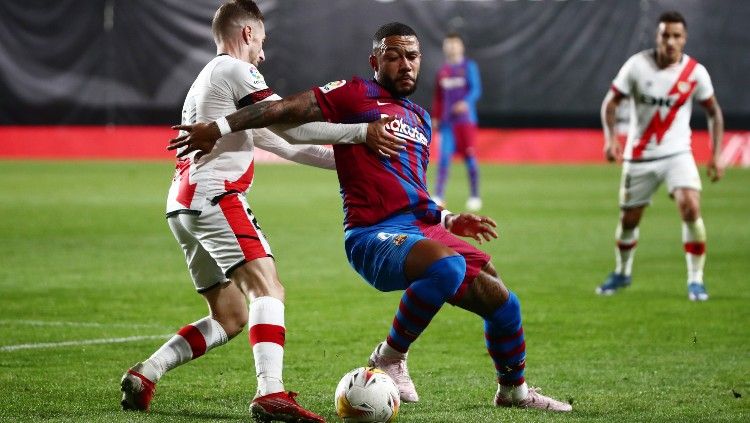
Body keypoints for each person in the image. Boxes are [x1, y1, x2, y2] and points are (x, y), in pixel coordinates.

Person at [169, 22, 572, 413]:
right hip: (372, 235)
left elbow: (410, 188)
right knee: (446, 268)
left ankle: (513, 391)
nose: (405, 64)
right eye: (393, 56)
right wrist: (219, 127)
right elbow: (282, 110)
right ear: (375, 61)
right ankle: (389, 359)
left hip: (422, 229)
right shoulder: (355, 94)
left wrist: (447, 219)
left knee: (502, 300)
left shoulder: (419, 118)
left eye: (412, 56)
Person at [119, 2, 398, 422]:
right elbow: (292, 124)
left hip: (183, 205)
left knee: (230, 316)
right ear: (247, 34)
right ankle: (271, 392)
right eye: (262, 42)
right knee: (268, 289)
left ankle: (146, 373)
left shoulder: (208, 80)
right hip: (216, 196)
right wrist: (361, 131)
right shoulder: (235, 69)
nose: (263, 54)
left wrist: (352, 157)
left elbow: (283, 144)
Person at [597, 11, 725, 301]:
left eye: (676, 36)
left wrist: (717, 155)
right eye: (665, 35)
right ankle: (622, 272)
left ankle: (696, 280)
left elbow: (714, 112)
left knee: (690, 207)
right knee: (629, 220)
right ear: (657, 36)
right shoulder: (636, 66)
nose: (670, 41)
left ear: (684, 39)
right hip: (639, 155)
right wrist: (610, 139)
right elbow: (610, 103)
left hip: (678, 153)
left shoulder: (695, 72)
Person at [431, 32, 483, 211]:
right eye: (449, 44)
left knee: (469, 156)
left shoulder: (469, 67)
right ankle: (438, 195)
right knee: (444, 158)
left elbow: (476, 89)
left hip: (465, 121)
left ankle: (475, 195)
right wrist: (436, 117)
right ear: (445, 47)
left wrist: (465, 102)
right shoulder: (442, 71)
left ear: (461, 46)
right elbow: (438, 97)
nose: (452, 47)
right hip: (447, 123)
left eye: (455, 43)